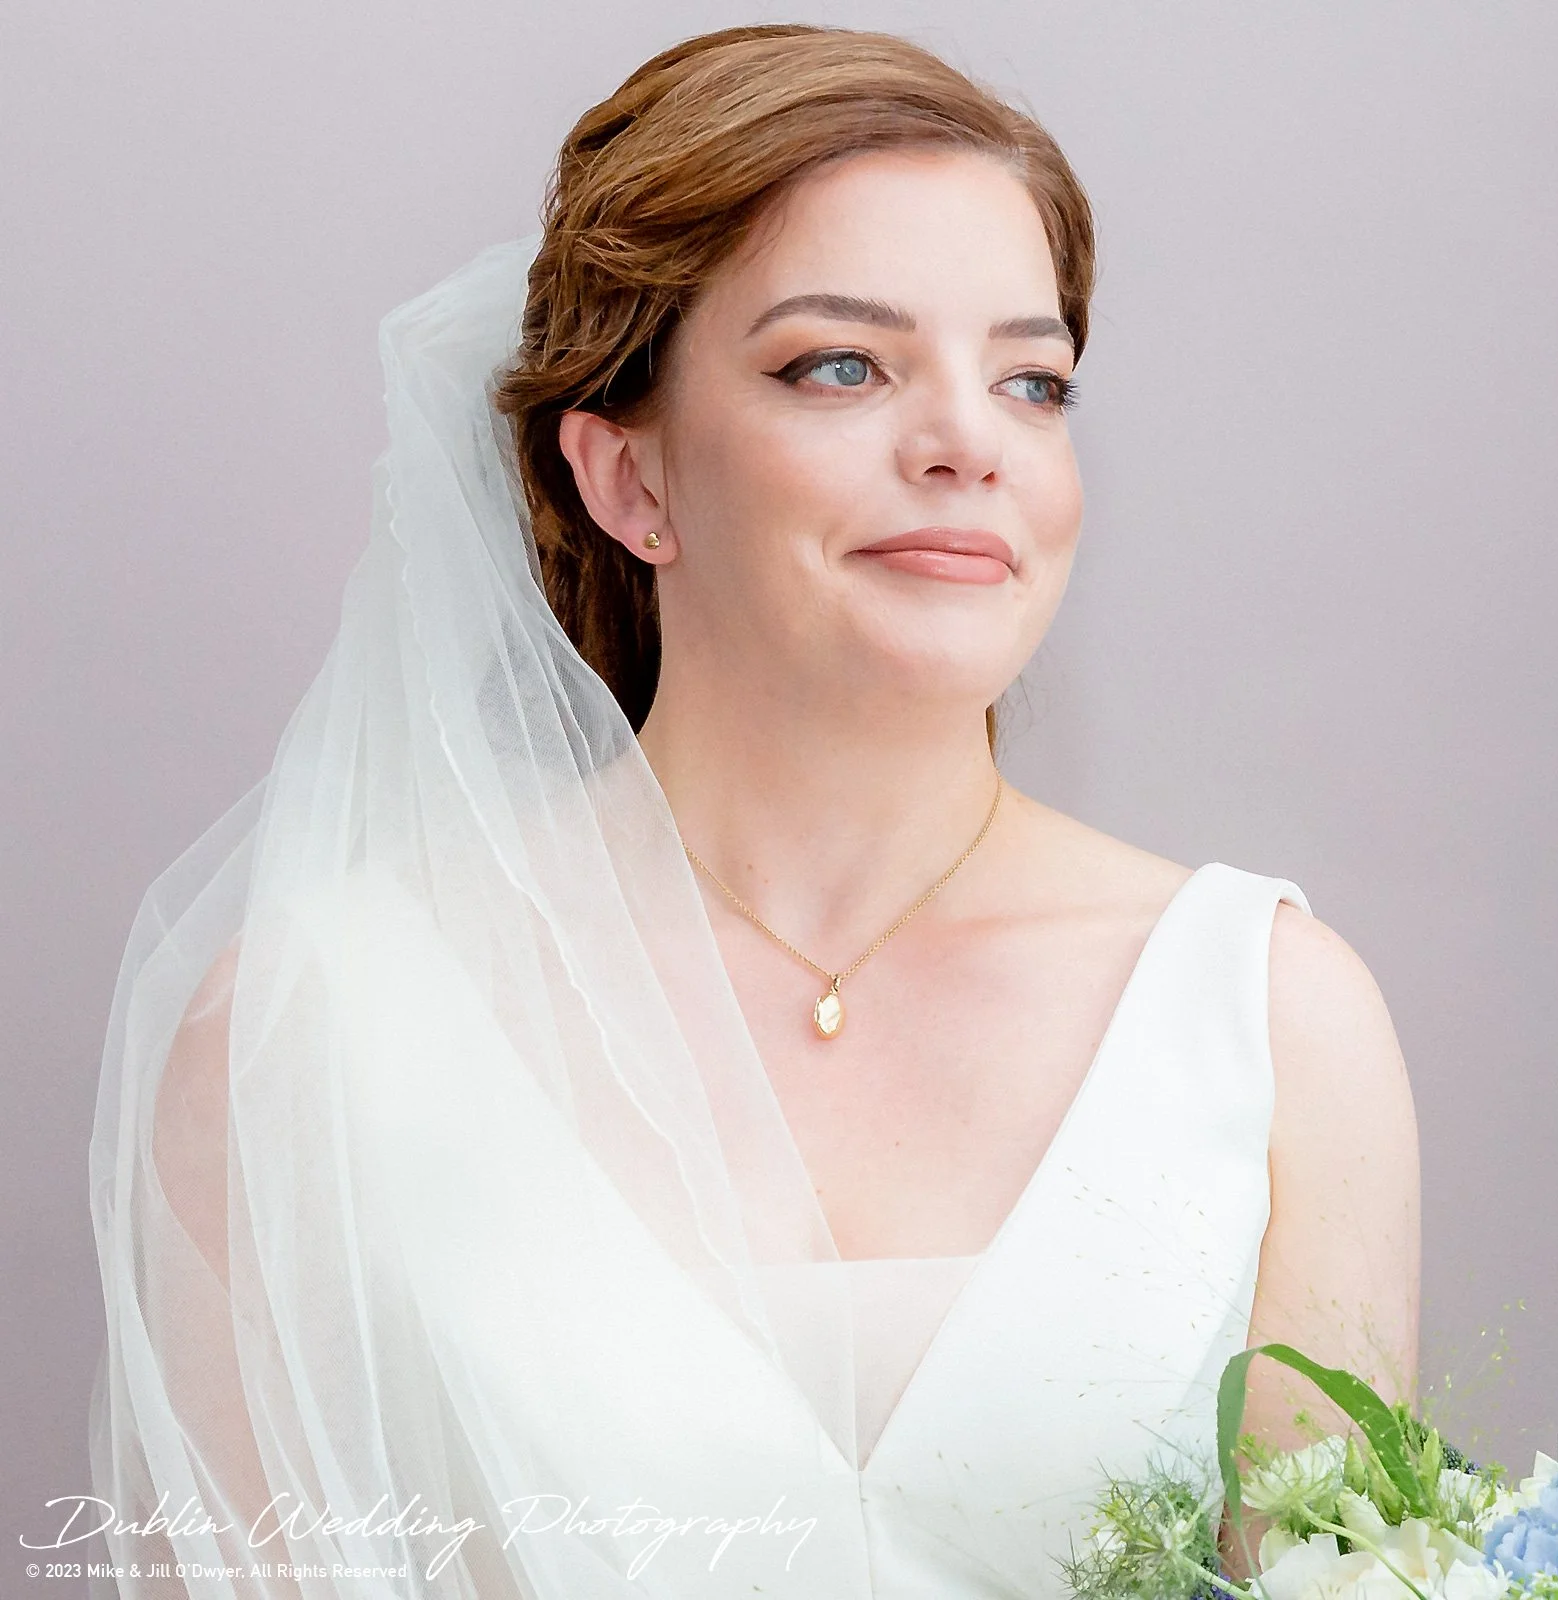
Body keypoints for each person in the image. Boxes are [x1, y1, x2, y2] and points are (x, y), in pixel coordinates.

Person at [86, 23, 1419, 1598]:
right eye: (840, 365)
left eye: (1032, 379)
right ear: (629, 480)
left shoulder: (1270, 1023)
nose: (965, 443)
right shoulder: (313, 1031)